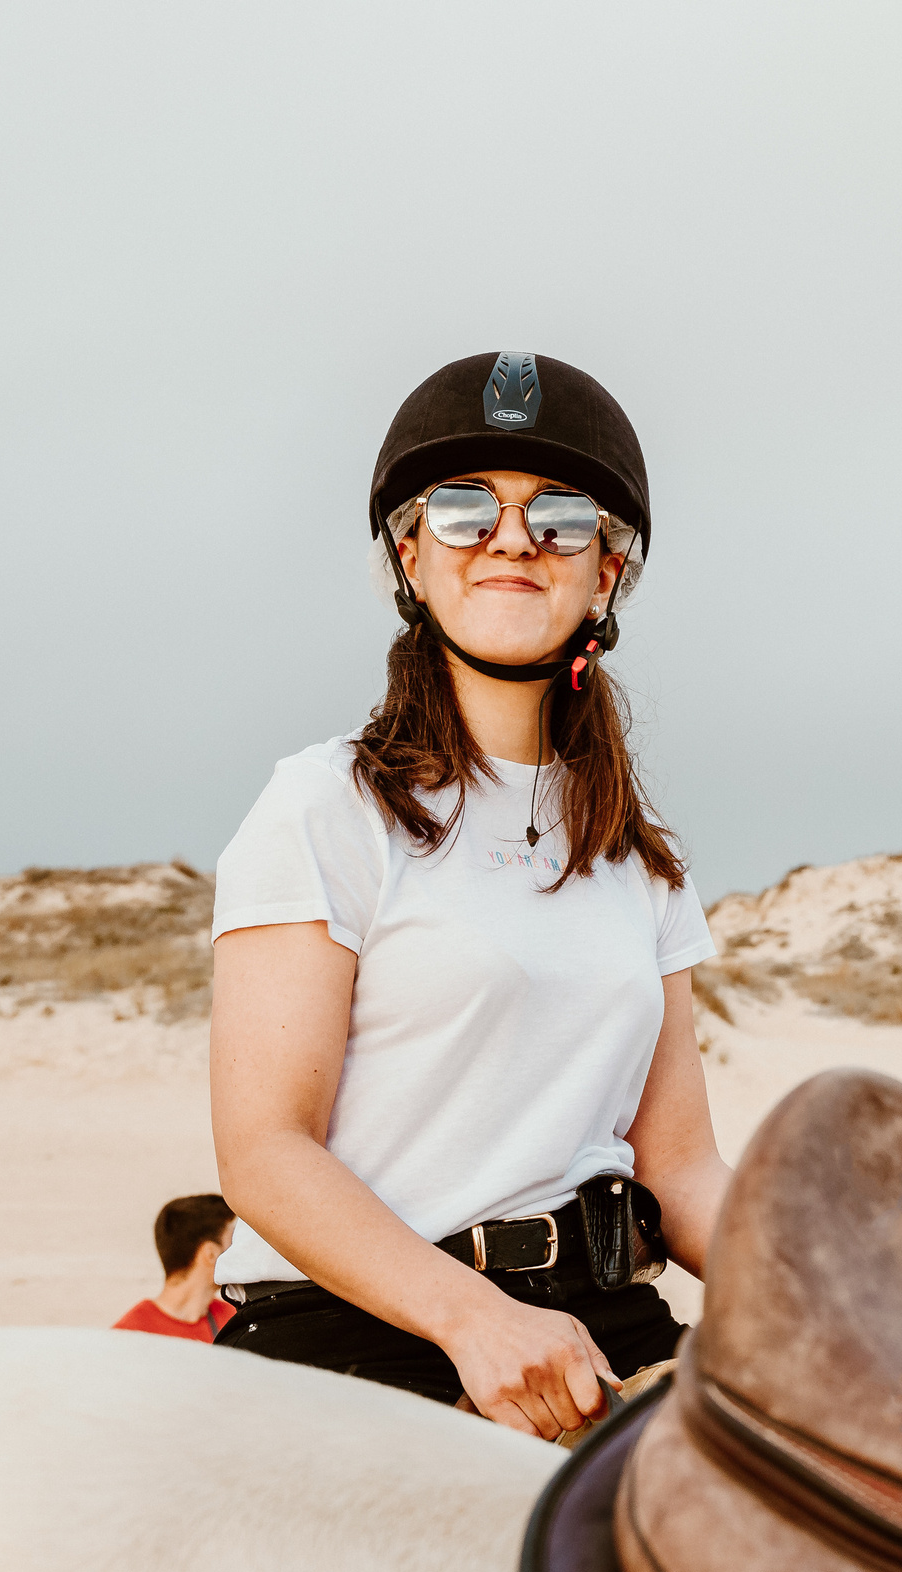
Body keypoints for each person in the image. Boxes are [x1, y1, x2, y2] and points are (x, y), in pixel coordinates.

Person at [207, 351, 730, 1440]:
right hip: (361, 1332)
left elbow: (679, 1169)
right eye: (463, 508)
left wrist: (846, 1294)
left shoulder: (638, 865)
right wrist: (473, 1321)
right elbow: (265, 1150)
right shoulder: (325, 808)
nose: (511, 539)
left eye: (560, 516)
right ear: (410, 553)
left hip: (605, 1333)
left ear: (610, 570)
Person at [112, 1194, 238, 1342]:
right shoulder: (129, 1336)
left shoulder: (232, 1318)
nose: (240, 1250)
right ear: (210, 1254)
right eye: (233, 1240)